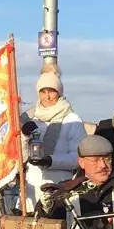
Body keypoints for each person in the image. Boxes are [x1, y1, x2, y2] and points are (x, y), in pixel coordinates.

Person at [21, 66, 87, 210]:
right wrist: (24, 136)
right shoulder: (30, 117)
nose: (47, 96)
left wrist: (51, 161)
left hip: (60, 187)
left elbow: (79, 158)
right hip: (32, 191)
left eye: (52, 91)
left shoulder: (72, 119)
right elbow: (20, 157)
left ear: (59, 92)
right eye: (43, 92)